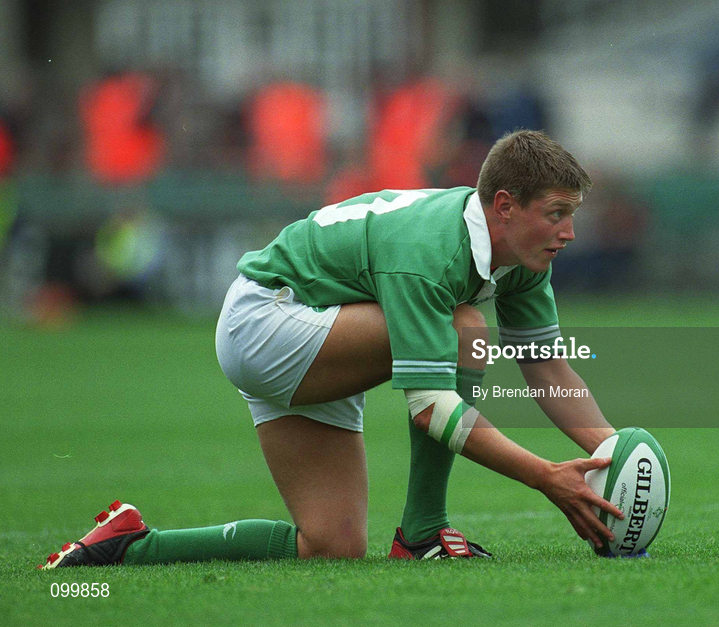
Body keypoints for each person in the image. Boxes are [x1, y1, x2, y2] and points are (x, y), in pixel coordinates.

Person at [39, 130, 626, 568]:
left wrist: (619, 453)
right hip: (267, 320)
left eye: (570, 215)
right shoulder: (432, 250)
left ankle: (126, 547)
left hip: (321, 325)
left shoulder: (523, 256)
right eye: (556, 214)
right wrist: (547, 475)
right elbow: (431, 406)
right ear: (504, 205)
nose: (568, 232)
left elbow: (545, 363)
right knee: (464, 329)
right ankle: (422, 533)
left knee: (331, 546)